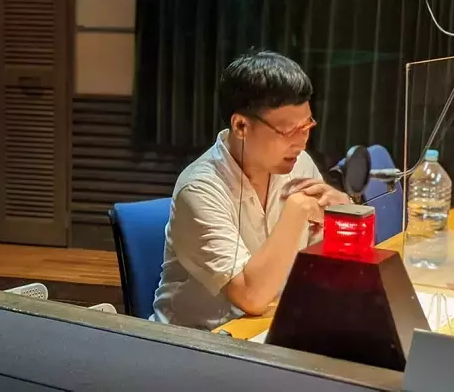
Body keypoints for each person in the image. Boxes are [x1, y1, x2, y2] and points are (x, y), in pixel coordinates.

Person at [150, 51, 351, 330]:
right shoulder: (199, 189)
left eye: (306, 128)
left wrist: (344, 213)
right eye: (288, 131)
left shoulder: (297, 163)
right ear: (241, 126)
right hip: (198, 340)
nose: (301, 143)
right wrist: (296, 211)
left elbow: (331, 262)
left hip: (271, 324)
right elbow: (251, 297)